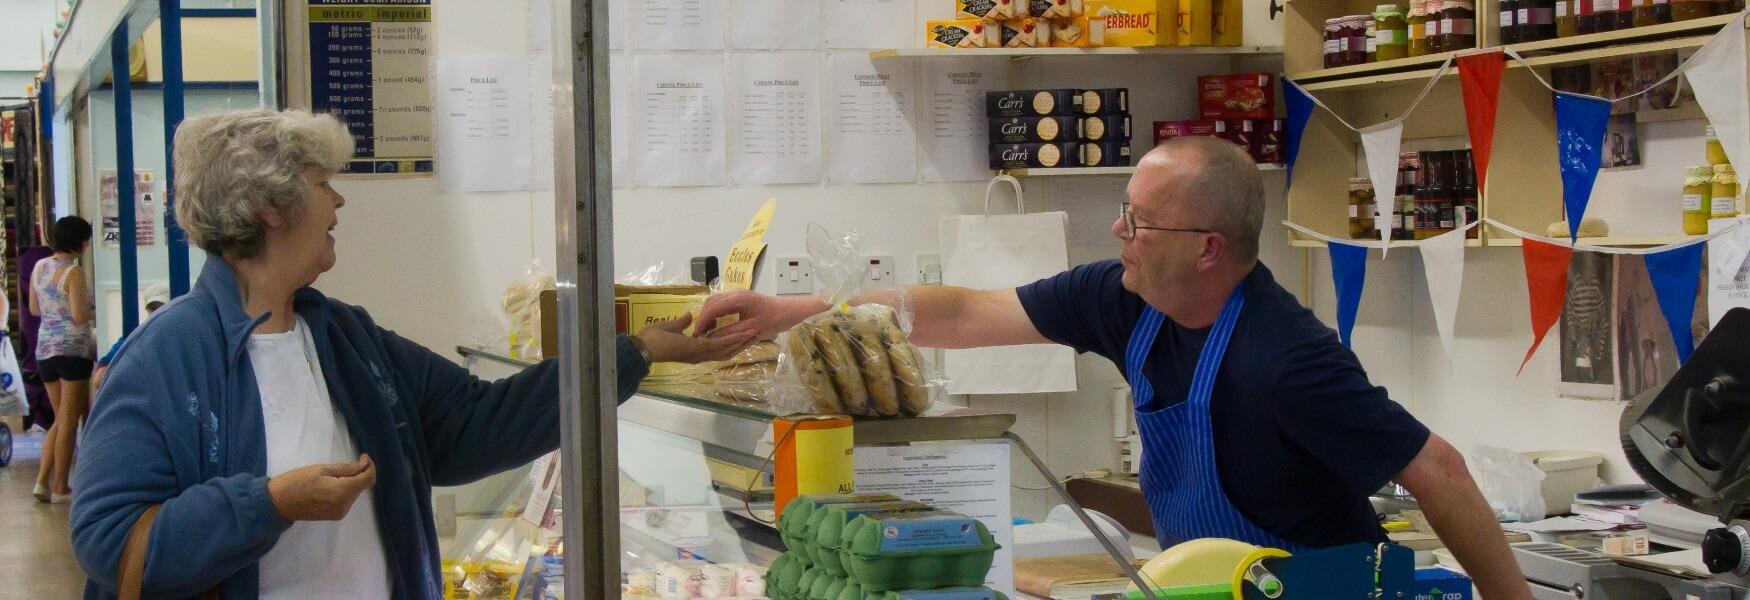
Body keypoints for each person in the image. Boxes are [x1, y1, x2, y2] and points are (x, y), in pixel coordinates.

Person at [696, 138, 1535, 599]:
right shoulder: (1122, 298)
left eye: (1138, 224)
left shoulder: (1289, 360)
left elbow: (1438, 468)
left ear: (1208, 250)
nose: (1118, 237)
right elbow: (959, 313)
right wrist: (794, 316)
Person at [70, 108, 754, 599]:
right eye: (319, 182)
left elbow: (476, 423)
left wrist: (634, 353)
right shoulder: (163, 359)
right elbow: (109, 541)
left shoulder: (344, 338)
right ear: (265, 206)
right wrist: (271, 503)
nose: (338, 199)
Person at [32, 216, 94, 503]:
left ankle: (42, 482)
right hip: (73, 350)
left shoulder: (39, 267)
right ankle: (60, 487)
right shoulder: (73, 273)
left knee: (60, 420)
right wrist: (99, 311)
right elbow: (80, 315)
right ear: (80, 242)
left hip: (45, 349)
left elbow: (34, 309)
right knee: (69, 420)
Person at [89, 282, 170, 393]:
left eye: (162, 308)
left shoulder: (188, 336)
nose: (157, 313)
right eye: (154, 309)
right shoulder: (133, 337)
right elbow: (99, 378)